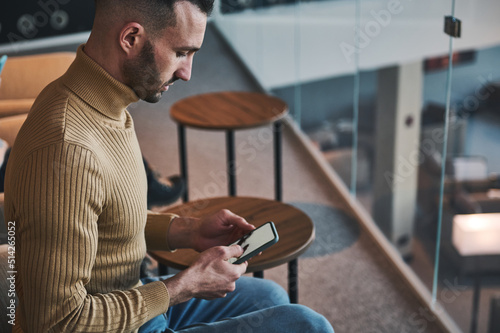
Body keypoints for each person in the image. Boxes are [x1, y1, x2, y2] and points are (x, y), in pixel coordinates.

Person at [3, 0, 335, 332]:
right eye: (181, 52)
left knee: (269, 297)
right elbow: (55, 323)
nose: (187, 73)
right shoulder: (67, 150)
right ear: (131, 38)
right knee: (306, 324)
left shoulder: (102, 104)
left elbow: (105, 222)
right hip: (110, 322)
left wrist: (189, 231)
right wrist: (182, 287)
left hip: (132, 297)